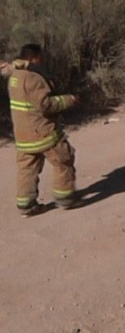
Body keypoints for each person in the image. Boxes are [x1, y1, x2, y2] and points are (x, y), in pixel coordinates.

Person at [7, 43, 79, 216]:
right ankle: (65, 198)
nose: (43, 61)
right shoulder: (32, 78)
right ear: (34, 58)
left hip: (22, 134)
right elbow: (45, 105)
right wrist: (69, 100)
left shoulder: (15, 76)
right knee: (64, 159)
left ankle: (26, 205)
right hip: (42, 132)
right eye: (41, 58)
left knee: (27, 169)